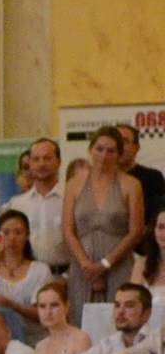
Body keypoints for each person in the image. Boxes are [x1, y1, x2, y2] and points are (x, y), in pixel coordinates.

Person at [63, 126, 144, 324]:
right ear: (90, 150)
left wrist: (105, 264)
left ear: (118, 154)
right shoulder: (74, 184)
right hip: (82, 269)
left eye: (110, 151)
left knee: (120, 323)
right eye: (99, 149)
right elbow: (67, 229)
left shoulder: (131, 185)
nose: (104, 155)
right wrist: (86, 266)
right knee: (81, 324)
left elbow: (136, 231)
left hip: (119, 266)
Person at [0, 210, 52, 341]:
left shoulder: (40, 270)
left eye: (18, 232)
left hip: (34, 338)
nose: (12, 238)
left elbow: (43, 313)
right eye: (6, 233)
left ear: (27, 236)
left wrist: (13, 306)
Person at [2, 138, 67, 274]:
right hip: (28, 278)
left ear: (59, 161)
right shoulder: (17, 204)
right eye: (36, 159)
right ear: (30, 164)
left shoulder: (71, 199)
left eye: (47, 158)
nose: (41, 164)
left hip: (65, 276)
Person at [116, 123, 165, 255]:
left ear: (136, 147)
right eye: (116, 141)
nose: (119, 146)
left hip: (144, 253)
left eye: (125, 141)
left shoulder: (153, 177)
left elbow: (159, 219)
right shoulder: (102, 180)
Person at [130, 209, 165, 302]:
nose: (164, 233)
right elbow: (133, 301)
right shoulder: (141, 264)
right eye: (161, 227)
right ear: (154, 231)